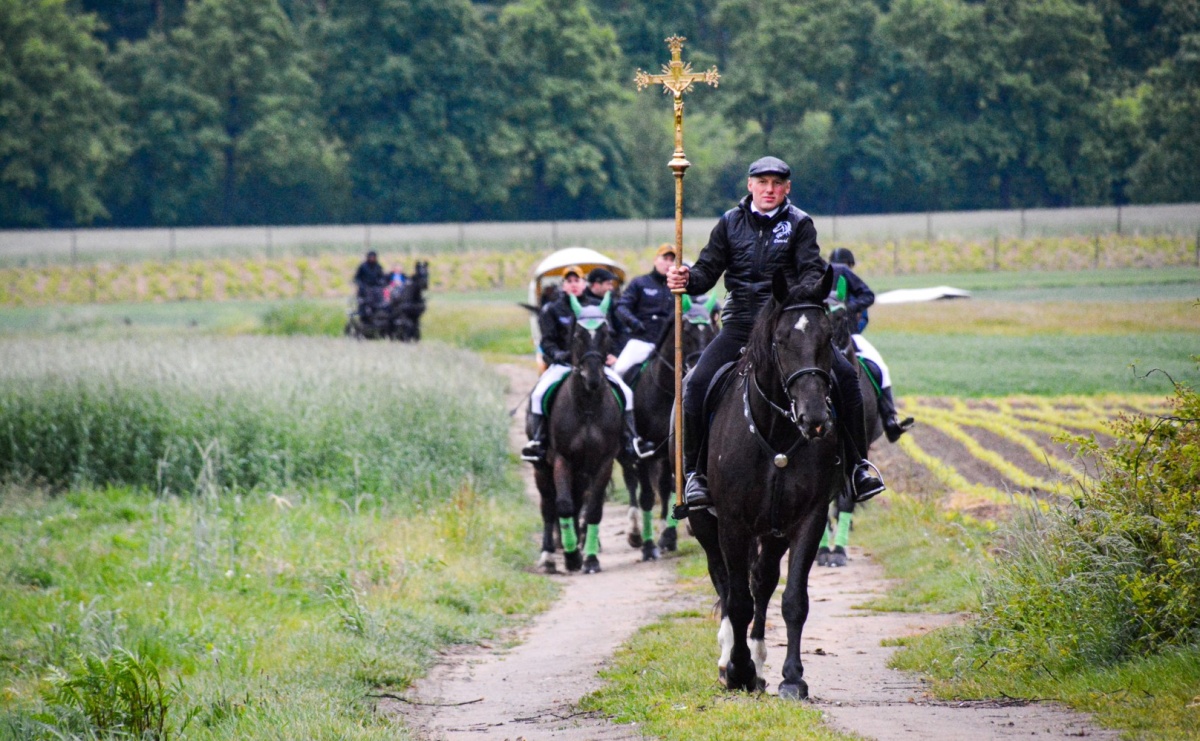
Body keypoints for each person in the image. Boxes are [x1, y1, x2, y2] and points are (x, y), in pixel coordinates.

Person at [666, 156, 886, 510]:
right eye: (762, 183)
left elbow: (811, 268)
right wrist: (686, 278)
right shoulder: (729, 222)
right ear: (750, 185)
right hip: (740, 325)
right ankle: (694, 474)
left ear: (787, 188)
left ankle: (859, 467)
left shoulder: (800, 223)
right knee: (695, 385)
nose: (769, 190)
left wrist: (807, 292)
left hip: (787, 325)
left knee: (848, 379)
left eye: (777, 184)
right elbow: (707, 272)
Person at [521, 266, 649, 462]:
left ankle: (631, 440)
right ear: (563, 285)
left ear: (584, 284)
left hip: (596, 366)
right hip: (563, 365)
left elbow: (615, 334)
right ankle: (538, 441)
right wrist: (559, 354)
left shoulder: (599, 308)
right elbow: (547, 341)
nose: (573, 284)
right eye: (569, 281)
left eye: (577, 280)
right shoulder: (551, 309)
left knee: (626, 393)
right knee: (538, 394)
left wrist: (614, 354)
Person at [828, 248, 914, 442]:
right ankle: (890, 419)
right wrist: (850, 314)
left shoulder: (824, 274)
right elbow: (866, 307)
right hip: (846, 335)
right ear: (849, 265)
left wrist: (847, 310)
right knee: (881, 368)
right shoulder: (844, 276)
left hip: (841, 335)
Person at [614, 244, 677, 377]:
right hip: (642, 341)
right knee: (619, 370)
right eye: (665, 258)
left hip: (669, 346)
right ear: (655, 260)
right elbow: (621, 307)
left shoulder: (677, 288)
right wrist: (634, 323)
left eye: (672, 260)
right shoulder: (640, 283)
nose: (668, 263)